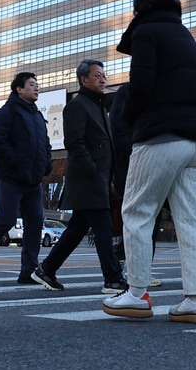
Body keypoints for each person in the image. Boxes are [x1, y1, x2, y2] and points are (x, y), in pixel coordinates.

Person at [102, 0, 196, 323]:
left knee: (138, 211)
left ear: (140, 8)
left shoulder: (146, 32)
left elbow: (141, 85)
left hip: (161, 135)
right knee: (192, 217)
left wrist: (127, 117)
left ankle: (137, 293)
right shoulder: (184, 33)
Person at [33, 61, 127, 293]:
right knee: (103, 227)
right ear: (84, 79)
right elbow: (74, 143)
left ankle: (46, 269)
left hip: (99, 179)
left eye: (104, 75)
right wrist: (93, 170)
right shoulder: (78, 105)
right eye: (98, 76)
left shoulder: (97, 105)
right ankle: (113, 278)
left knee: (76, 229)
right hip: (88, 179)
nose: (103, 79)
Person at [0, 73, 51, 285]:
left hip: (33, 179)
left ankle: (28, 270)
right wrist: (15, 163)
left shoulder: (38, 116)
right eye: (32, 85)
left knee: (35, 222)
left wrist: (46, 164)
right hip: (11, 177)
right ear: (19, 90)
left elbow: (45, 144)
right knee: (6, 220)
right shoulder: (5, 113)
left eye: (37, 85)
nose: (36, 88)